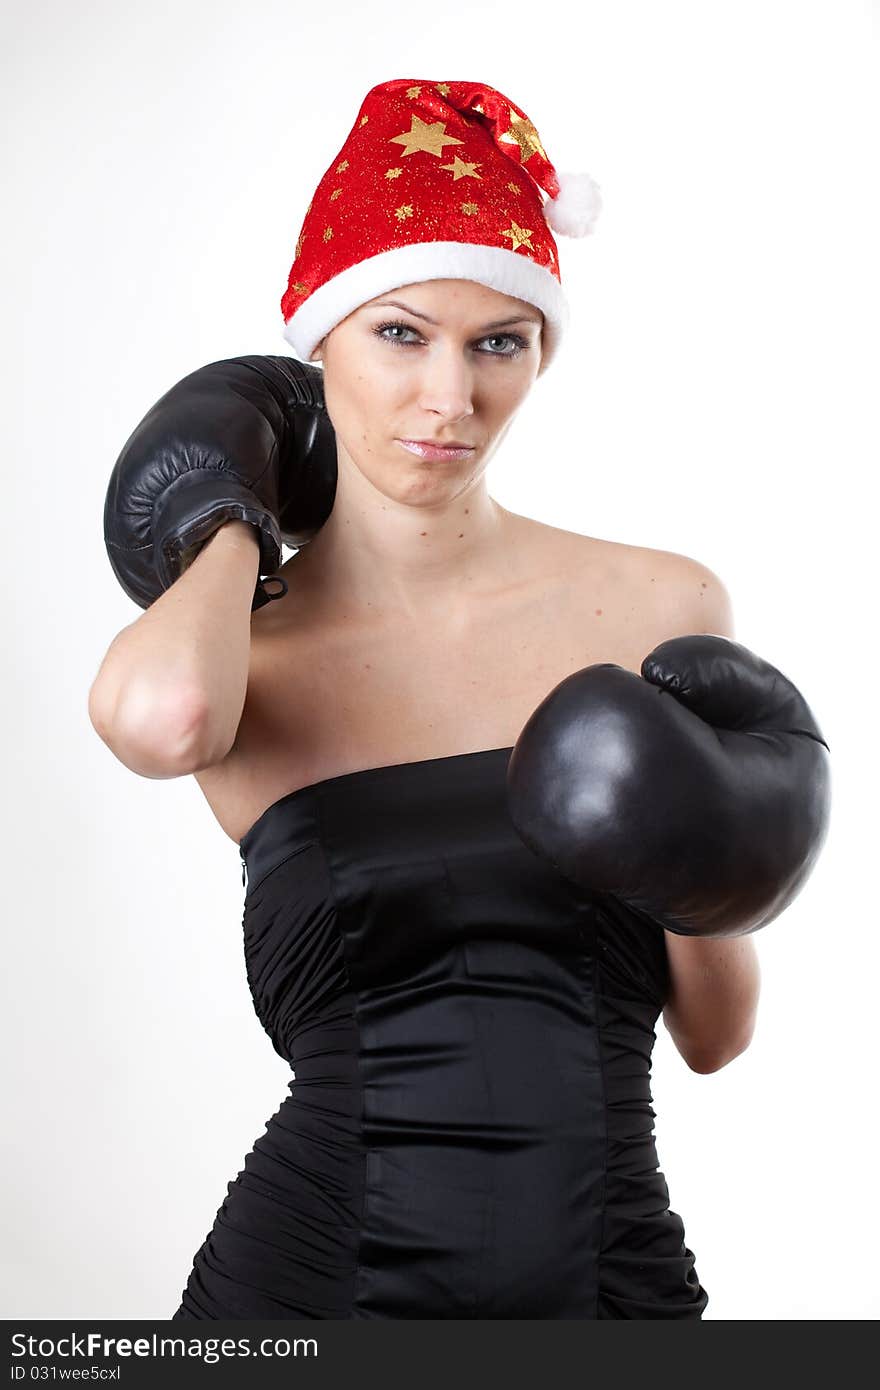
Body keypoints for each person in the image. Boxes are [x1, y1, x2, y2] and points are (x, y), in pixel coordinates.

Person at [90, 78, 829, 1318]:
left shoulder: (658, 602)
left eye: (499, 341)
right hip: (311, 1281)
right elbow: (164, 722)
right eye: (397, 332)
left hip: (607, 1272)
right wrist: (227, 512)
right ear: (313, 338)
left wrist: (713, 850)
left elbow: (713, 1036)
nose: (450, 397)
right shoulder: (238, 658)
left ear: (540, 352)